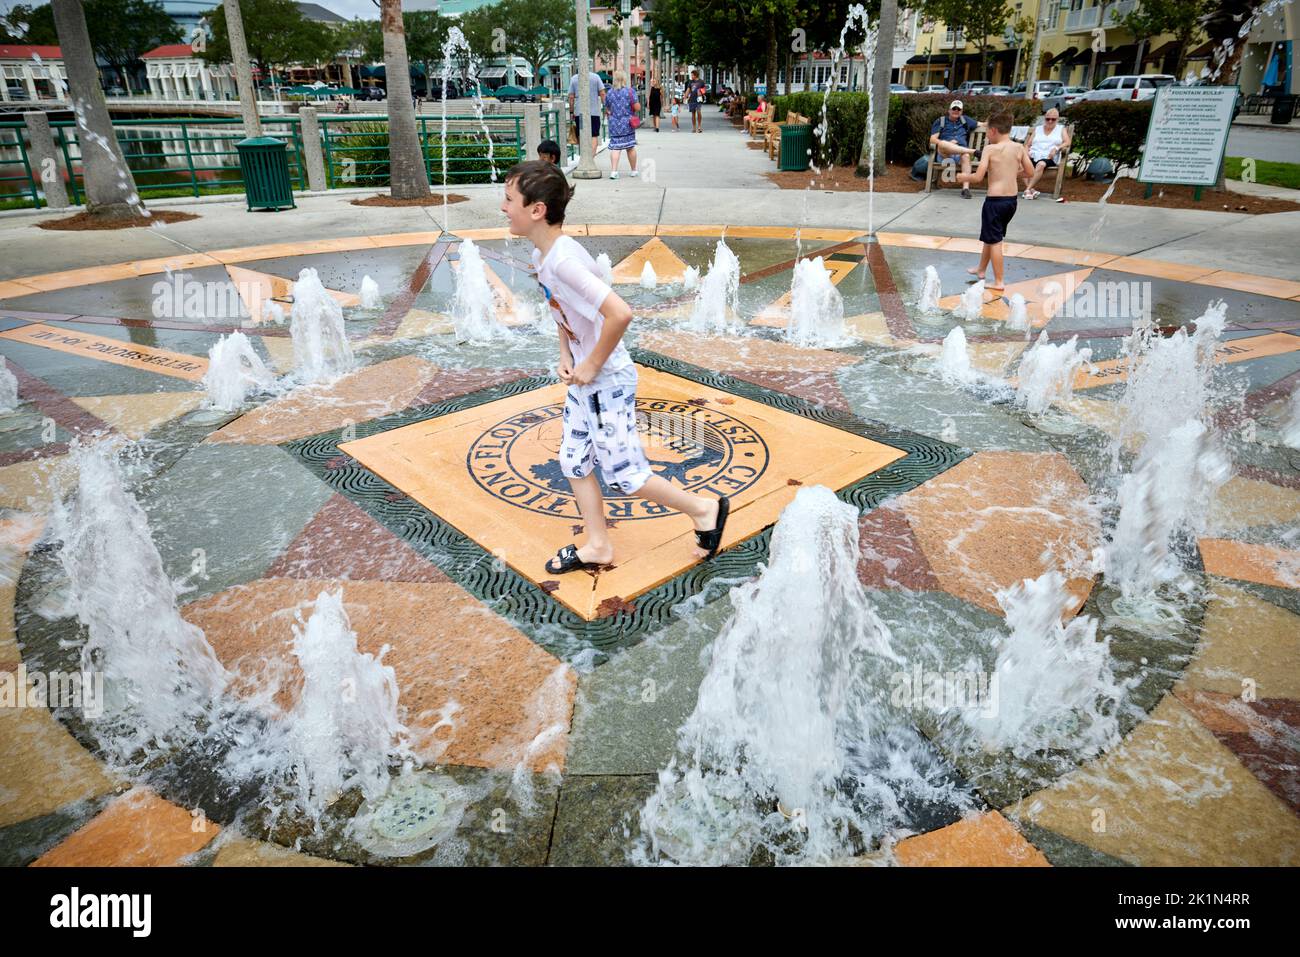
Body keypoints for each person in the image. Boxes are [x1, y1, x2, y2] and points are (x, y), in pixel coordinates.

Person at [498, 161, 730, 573]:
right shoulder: (544, 253)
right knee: (573, 460)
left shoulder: (564, 261)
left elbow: (620, 313)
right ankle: (597, 545)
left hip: (607, 380)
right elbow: (562, 309)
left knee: (626, 475)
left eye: (509, 199)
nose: (503, 208)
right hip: (587, 377)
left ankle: (704, 510)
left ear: (537, 210)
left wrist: (591, 363)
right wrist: (567, 353)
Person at [958, 110, 1034, 291]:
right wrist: (1013, 174)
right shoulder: (1018, 148)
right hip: (1011, 202)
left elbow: (978, 177)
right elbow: (1030, 172)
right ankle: (981, 269)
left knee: (995, 242)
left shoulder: (990, 149)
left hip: (995, 202)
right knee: (992, 236)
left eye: (987, 133)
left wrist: (962, 177)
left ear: (992, 131)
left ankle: (999, 281)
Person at [929, 99, 984, 199]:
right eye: (954, 108)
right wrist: (947, 144)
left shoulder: (965, 120)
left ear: (961, 112)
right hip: (945, 154)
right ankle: (973, 152)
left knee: (966, 156)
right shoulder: (941, 121)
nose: (956, 110)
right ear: (949, 110)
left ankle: (965, 189)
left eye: (958, 109)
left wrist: (1001, 123)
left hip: (960, 155)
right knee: (943, 144)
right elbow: (932, 139)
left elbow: (982, 124)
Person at [1022, 108, 1070, 199]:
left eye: (1053, 119)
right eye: (1048, 119)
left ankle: (1027, 189)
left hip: (1049, 157)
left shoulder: (1061, 129)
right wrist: (1026, 153)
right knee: (1021, 163)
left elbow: (1067, 142)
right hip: (1034, 154)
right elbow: (1028, 144)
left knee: (1041, 164)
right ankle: (1031, 190)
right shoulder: (1038, 129)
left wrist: (1056, 148)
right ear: (1045, 118)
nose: (1050, 121)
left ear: (1057, 119)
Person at [605, 70, 640, 179]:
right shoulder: (630, 91)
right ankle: (634, 170)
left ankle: (614, 171)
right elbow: (637, 107)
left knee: (616, 147)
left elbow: (607, 108)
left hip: (614, 124)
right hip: (627, 124)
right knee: (630, 147)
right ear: (624, 79)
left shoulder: (609, 92)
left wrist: (612, 112)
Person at [568, 68, 606, 143]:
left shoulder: (574, 78)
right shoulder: (596, 77)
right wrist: (605, 107)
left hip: (579, 113)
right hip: (594, 113)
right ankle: (592, 155)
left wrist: (571, 112)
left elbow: (571, 97)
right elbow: (602, 93)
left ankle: (584, 154)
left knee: (581, 135)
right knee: (594, 136)